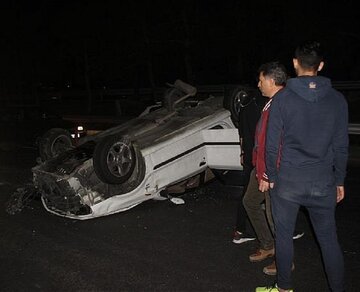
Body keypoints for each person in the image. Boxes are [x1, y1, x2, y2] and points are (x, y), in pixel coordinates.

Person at [257, 41, 348, 292]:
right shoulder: (338, 100)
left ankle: (284, 288)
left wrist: (272, 176)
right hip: (323, 182)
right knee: (329, 241)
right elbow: (341, 146)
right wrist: (339, 180)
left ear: (295, 63)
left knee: (284, 238)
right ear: (320, 65)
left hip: (287, 183)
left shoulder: (282, 100)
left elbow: (271, 145)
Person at [242, 62, 288, 275]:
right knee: (249, 202)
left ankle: (285, 261)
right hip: (260, 168)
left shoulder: (283, 104)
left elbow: (278, 144)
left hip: (272, 171)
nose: (258, 84)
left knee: (274, 216)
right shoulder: (270, 102)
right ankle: (268, 245)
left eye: (261, 80)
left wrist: (269, 174)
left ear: (271, 80)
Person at [232, 87, 266, 244]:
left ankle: (239, 230)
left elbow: (241, 134)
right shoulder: (264, 106)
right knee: (268, 193)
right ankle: (279, 232)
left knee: (247, 192)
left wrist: (242, 153)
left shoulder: (245, 105)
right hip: (259, 157)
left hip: (248, 155)